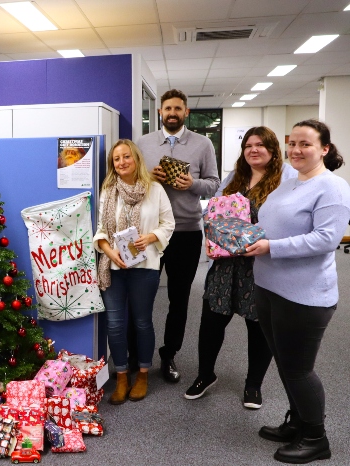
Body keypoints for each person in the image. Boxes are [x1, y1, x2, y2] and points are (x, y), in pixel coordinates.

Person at [245, 119, 350, 464]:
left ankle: (316, 438)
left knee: (299, 369)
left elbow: (326, 240)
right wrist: (241, 235)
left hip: (304, 295)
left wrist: (270, 246)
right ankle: (298, 423)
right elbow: (268, 223)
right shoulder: (289, 182)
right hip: (269, 287)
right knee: (286, 363)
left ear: (324, 149)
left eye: (306, 144)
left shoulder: (332, 187)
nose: (296, 150)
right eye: (292, 144)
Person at [184, 126, 296, 408]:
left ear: (272, 150)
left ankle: (253, 385)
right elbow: (215, 212)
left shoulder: (285, 181)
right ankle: (205, 375)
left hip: (260, 266)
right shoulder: (234, 178)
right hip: (225, 265)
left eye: (260, 145)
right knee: (210, 323)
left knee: (258, 328)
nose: (253, 150)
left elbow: (287, 222)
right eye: (248, 145)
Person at [137, 89, 220, 383]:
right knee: (142, 298)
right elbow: (132, 181)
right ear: (159, 112)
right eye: (167, 108)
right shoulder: (143, 143)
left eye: (178, 109)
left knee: (179, 300)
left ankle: (169, 354)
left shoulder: (203, 144)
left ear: (186, 113)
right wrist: (148, 177)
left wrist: (191, 184)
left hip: (185, 232)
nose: (172, 113)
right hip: (149, 233)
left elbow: (213, 185)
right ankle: (139, 356)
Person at [94, 139, 174, 404]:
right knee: (115, 325)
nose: (121, 162)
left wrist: (150, 237)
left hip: (145, 267)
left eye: (126, 157)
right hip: (114, 268)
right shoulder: (108, 191)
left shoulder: (155, 189)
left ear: (136, 159)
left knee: (141, 322)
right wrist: (109, 252)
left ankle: (142, 374)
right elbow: (101, 232)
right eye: (116, 159)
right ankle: (121, 376)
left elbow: (168, 224)